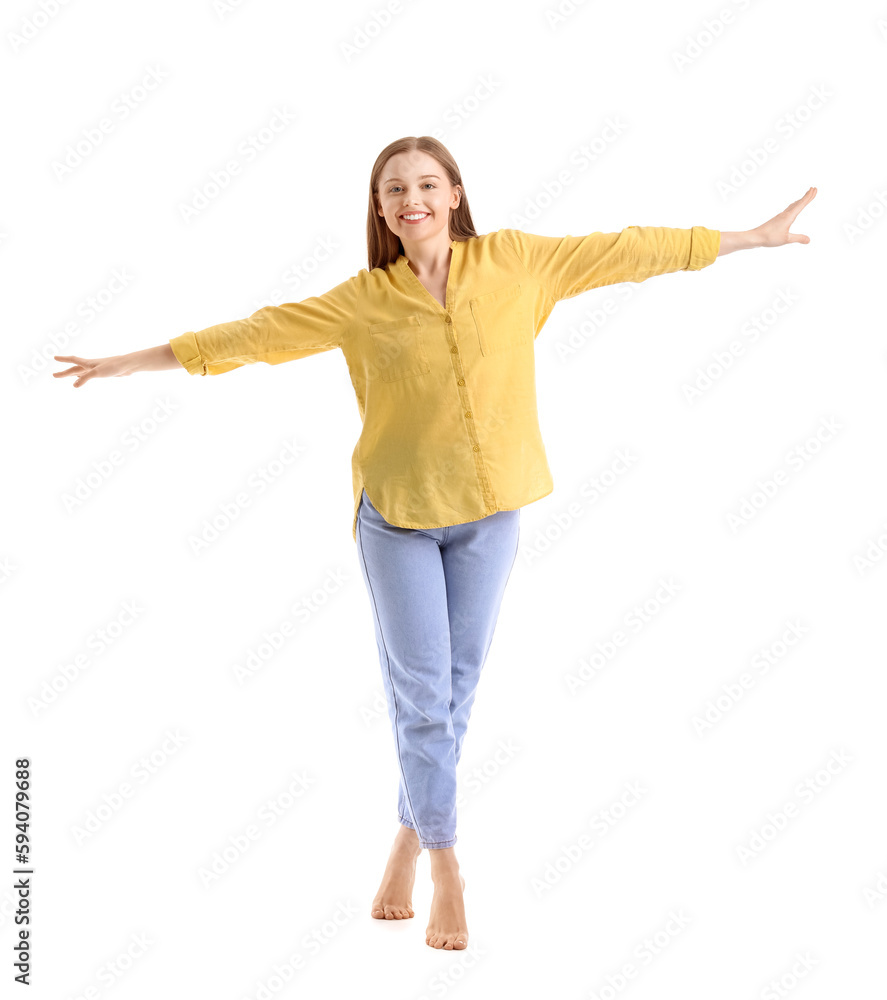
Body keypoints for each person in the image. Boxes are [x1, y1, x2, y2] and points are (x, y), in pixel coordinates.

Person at [53, 136, 817, 950]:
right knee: (423, 696)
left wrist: (750, 238)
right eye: (393, 189)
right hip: (399, 519)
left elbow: (630, 250)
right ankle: (447, 864)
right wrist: (132, 363)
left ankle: (406, 835)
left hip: (492, 514)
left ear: (454, 194)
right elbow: (257, 335)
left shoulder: (519, 263)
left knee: (453, 688)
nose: (410, 198)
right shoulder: (361, 300)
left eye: (425, 183)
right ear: (379, 208)